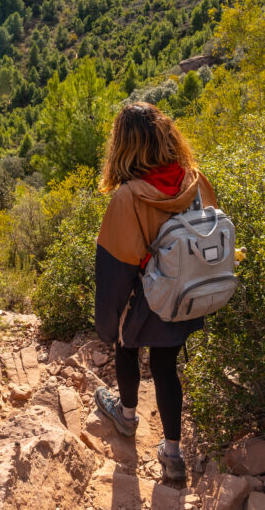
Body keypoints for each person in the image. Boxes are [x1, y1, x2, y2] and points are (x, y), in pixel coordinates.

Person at [93, 102, 218, 482]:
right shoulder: (195, 179)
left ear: (124, 145)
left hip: (147, 299)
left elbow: (115, 271)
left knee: (125, 346)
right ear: (166, 135)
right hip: (186, 293)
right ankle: (173, 454)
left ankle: (126, 416)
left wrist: (106, 323)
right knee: (166, 367)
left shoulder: (129, 197)